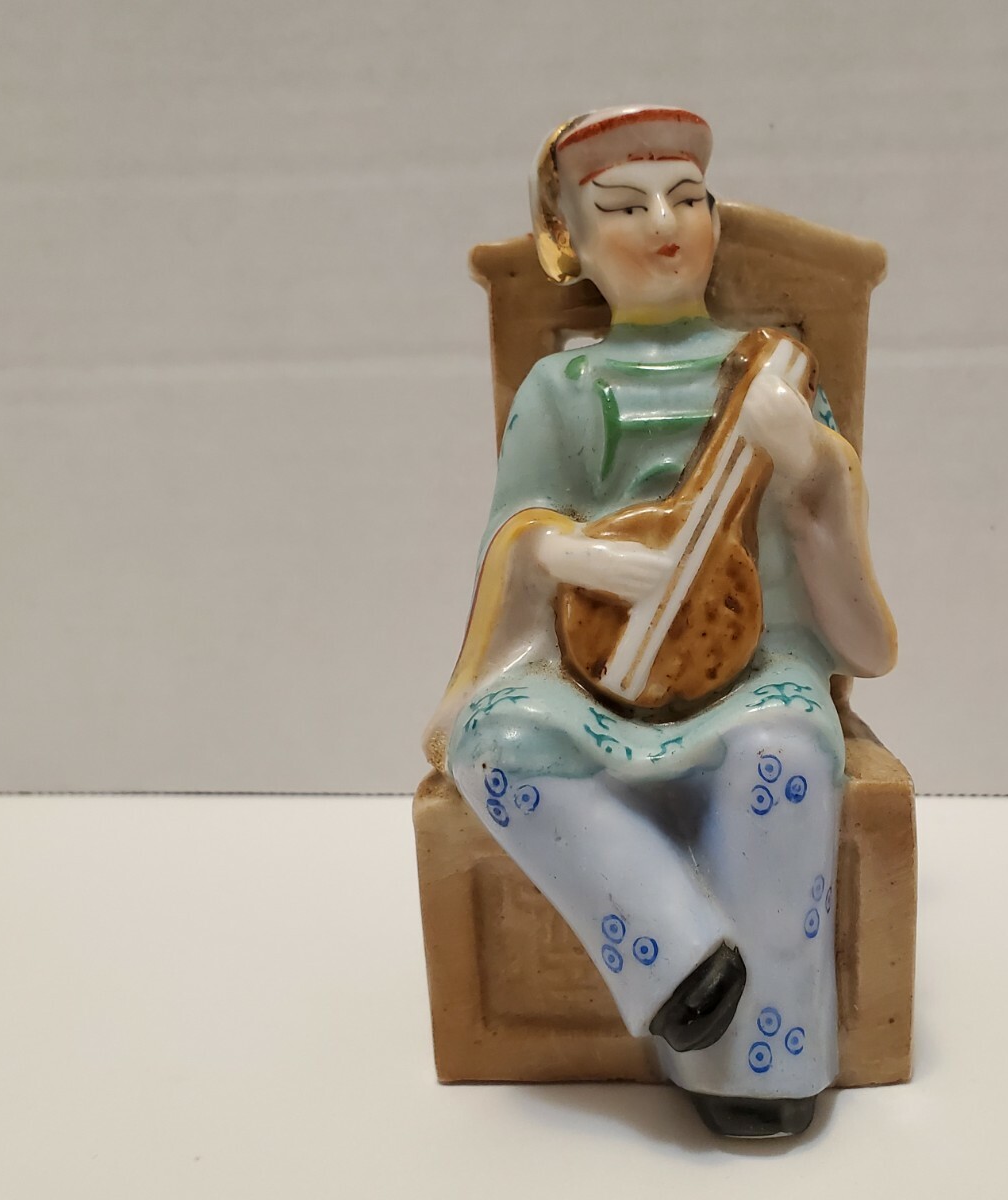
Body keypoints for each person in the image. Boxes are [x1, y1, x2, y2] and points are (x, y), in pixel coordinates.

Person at [423, 105, 896, 1137]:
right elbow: (516, 532)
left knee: (781, 756)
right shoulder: (563, 385)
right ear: (571, 241)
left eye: (688, 200)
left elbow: (833, 549)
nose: (665, 226)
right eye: (625, 208)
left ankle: (763, 1066)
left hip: (754, 673)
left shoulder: (775, 374)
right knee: (495, 744)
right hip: (591, 674)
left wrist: (809, 463)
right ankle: (678, 958)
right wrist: (572, 555)